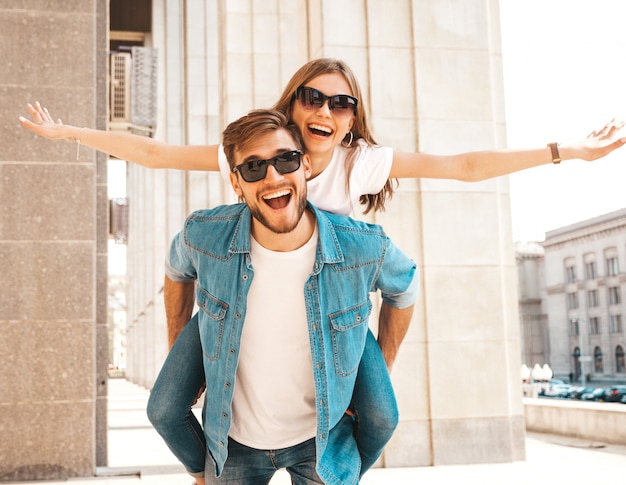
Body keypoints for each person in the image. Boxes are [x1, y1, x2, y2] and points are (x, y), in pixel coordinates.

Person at [19, 57, 626, 481]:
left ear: (351, 120)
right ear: (292, 106)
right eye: (314, 96)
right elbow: (153, 153)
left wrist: (565, 152)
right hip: (243, 297)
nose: (327, 109)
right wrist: (66, 133)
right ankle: (210, 467)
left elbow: (461, 166)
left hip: (333, 309)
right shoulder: (255, 148)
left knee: (382, 410)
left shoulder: (359, 163)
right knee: (165, 405)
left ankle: (332, 466)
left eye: (342, 102)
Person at [163, 108, 418, 484]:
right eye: (253, 168)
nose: (273, 177)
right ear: (236, 182)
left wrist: (382, 363)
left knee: (383, 417)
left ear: (307, 168)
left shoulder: (363, 247)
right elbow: (176, 271)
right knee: (164, 409)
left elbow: (405, 287)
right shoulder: (204, 234)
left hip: (322, 443)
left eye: (286, 160)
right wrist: (182, 351)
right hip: (233, 443)